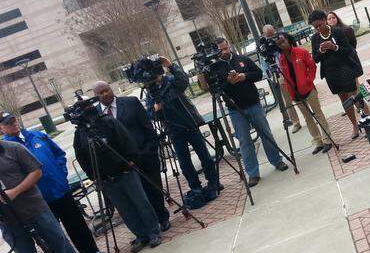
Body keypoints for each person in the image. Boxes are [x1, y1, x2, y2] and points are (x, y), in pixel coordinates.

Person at [1, 112, 109, 253]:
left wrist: (61, 173)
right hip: (38, 200)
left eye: (14, 120)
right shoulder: (7, 149)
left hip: (60, 190)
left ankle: (91, 251)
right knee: (52, 236)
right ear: (1, 128)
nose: (14, 124)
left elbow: (59, 154)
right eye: (8, 123)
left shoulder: (37, 136)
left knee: (76, 224)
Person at [0, 139, 93, 253]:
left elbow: (36, 172)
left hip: (34, 208)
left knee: (57, 241)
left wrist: (15, 191)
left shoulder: (13, 148)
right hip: (8, 220)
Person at [73, 105, 163, 253]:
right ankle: (141, 235)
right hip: (106, 180)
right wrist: (94, 176)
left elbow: (126, 140)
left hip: (125, 171)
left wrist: (131, 160)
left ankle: (154, 232)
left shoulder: (108, 122)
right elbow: (81, 157)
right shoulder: (80, 134)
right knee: (125, 210)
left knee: (141, 202)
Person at [92, 82, 170, 232]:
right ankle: (146, 227)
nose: (105, 94)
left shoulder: (131, 102)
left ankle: (162, 218)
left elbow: (148, 127)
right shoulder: (95, 115)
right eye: (100, 93)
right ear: (96, 96)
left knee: (153, 189)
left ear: (111, 89)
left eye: (106, 90)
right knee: (136, 198)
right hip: (122, 166)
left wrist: (149, 150)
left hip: (144, 156)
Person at [214, 37, 291, 187]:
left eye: (226, 48)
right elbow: (217, 89)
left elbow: (258, 73)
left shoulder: (242, 59)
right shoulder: (216, 68)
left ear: (229, 45)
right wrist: (228, 82)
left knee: (266, 134)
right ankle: (253, 173)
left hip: (254, 104)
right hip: (235, 110)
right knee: (244, 141)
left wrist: (244, 76)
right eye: (221, 50)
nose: (224, 51)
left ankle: (277, 161)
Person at [145, 55, 222, 203]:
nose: (154, 80)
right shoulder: (150, 92)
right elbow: (150, 115)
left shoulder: (171, 81)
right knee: (184, 162)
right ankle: (195, 187)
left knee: (204, 155)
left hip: (189, 124)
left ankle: (213, 182)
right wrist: (155, 110)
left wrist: (170, 65)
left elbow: (184, 81)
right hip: (173, 130)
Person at [309, 9, 369, 139]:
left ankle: (369, 122)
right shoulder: (315, 38)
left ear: (325, 20)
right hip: (331, 73)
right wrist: (321, 50)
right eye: (315, 27)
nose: (318, 28)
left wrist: (334, 47)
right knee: (344, 99)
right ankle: (354, 125)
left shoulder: (337, 31)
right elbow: (315, 59)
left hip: (345, 68)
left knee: (355, 95)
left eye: (320, 24)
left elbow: (349, 50)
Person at [275, 33, 336, 155]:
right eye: (279, 44)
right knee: (308, 118)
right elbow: (285, 77)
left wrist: (308, 80)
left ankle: (327, 140)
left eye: (283, 41)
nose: (283, 44)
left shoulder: (301, 51)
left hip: (308, 90)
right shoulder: (281, 59)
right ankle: (318, 142)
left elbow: (312, 66)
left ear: (288, 40)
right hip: (295, 93)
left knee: (318, 114)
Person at [263, 25, 303, 134]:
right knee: (288, 100)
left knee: (299, 95)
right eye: (268, 36)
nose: (271, 38)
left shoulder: (283, 39)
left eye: (272, 35)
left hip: (291, 71)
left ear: (275, 31)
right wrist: (272, 77)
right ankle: (295, 122)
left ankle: (309, 115)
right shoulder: (265, 47)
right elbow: (265, 65)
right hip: (279, 74)